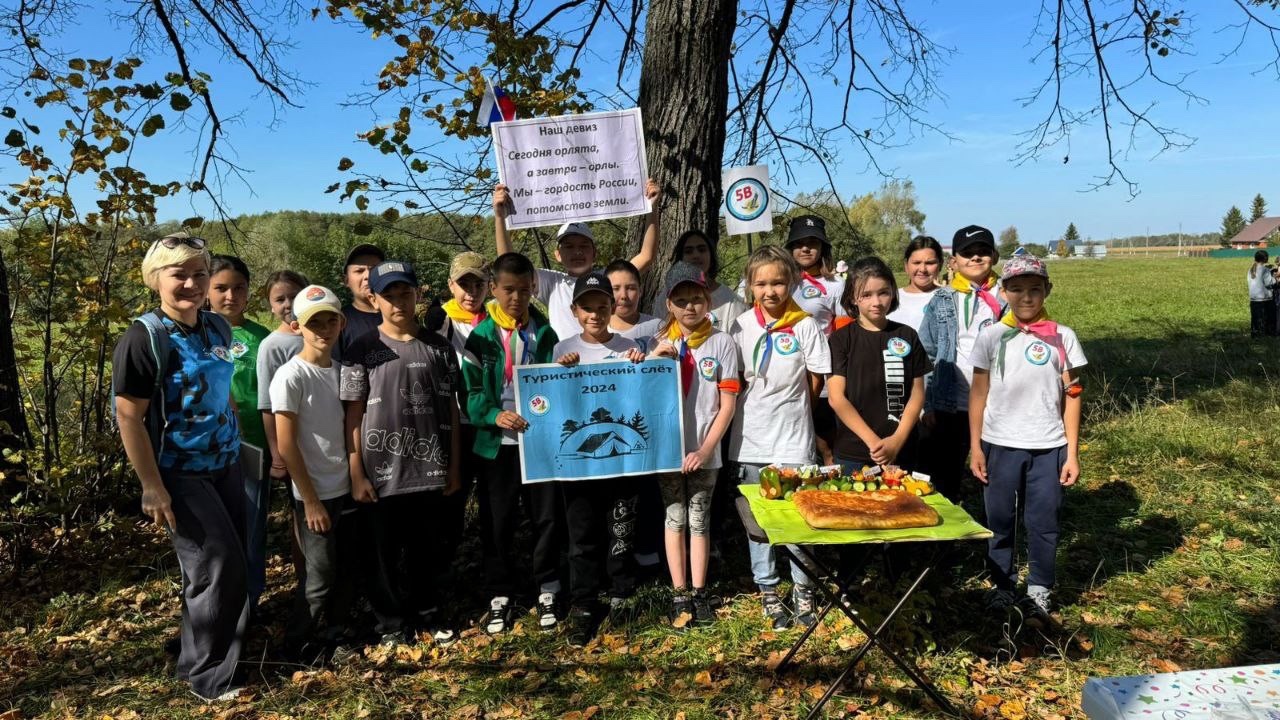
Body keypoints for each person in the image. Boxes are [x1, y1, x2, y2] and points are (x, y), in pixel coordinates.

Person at [113, 232, 246, 701]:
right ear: (155, 279)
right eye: (179, 274)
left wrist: (236, 436)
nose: (191, 283)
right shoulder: (144, 338)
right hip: (179, 471)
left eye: (199, 273)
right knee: (218, 565)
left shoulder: (218, 327)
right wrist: (151, 485)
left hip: (226, 463)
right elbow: (128, 415)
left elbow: (222, 387)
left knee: (219, 568)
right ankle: (209, 679)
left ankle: (194, 661)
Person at [341, 261, 462, 645]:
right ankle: (391, 623)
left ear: (418, 294)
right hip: (381, 473)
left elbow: (452, 410)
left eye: (405, 293)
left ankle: (428, 610)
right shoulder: (361, 349)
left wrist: (454, 466)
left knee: (428, 548)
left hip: (431, 469)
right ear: (374, 299)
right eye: (389, 296)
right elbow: (353, 414)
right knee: (382, 553)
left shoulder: (440, 347)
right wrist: (356, 472)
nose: (398, 303)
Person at [969, 255, 1086, 622]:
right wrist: (975, 446)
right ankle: (1002, 586)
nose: (1026, 297)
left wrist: (1072, 453)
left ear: (1047, 290)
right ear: (1004, 292)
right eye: (1017, 289)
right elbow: (978, 394)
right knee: (999, 520)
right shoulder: (991, 337)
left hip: (1049, 447)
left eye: (1035, 289)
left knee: (1043, 522)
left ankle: (1039, 588)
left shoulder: (1063, 337)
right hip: (999, 445)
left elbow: (1073, 396)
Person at [461, 252, 564, 635]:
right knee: (497, 520)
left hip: (539, 444)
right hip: (496, 446)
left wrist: (564, 368)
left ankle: (548, 586)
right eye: (508, 290)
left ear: (533, 287)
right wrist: (493, 415)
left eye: (524, 290)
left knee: (546, 518)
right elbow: (469, 392)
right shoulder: (481, 337)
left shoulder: (545, 333)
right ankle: (499, 592)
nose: (516, 298)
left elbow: (556, 385)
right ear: (493, 289)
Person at [729, 245, 831, 630]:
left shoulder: (805, 325)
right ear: (750, 286)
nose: (769, 291)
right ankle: (768, 590)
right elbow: (734, 379)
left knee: (799, 519)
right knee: (758, 522)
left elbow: (816, 377)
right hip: (751, 440)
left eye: (777, 282)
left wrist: (797, 410)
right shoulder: (740, 326)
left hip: (793, 440)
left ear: (791, 282)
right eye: (761, 284)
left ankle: (804, 589)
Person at [550, 271, 648, 646]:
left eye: (602, 307)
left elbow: (643, 395)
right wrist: (559, 372)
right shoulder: (562, 349)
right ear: (575, 311)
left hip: (622, 464)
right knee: (581, 536)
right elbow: (553, 401)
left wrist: (641, 365)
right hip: (579, 467)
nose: (595, 314)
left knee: (621, 529)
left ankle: (622, 594)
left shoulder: (629, 346)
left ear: (612, 307)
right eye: (587, 308)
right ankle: (584, 603)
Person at [649, 262, 740, 627]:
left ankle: (700, 592)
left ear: (708, 302)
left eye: (697, 299)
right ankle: (679, 592)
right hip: (668, 451)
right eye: (681, 300)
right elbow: (640, 396)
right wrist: (655, 360)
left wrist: (705, 449)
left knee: (699, 520)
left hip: (705, 450)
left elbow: (727, 404)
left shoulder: (722, 343)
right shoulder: (658, 342)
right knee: (674, 518)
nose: (690, 307)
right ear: (668, 304)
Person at [269, 285, 354, 659]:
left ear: (341, 323)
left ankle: (336, 635)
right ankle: (295, 645)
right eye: (313, 323)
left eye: (330, 321)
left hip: (345, 489)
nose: (323, 329)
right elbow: (287, 444)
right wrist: (311, 500)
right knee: (317, 578)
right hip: (313, 495)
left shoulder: (342, 372)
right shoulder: (290, 376)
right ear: (297, 327)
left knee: (345, 570)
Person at [492, 180, 662, 340]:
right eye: (569, 246)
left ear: (594, 252)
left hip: (606, 358)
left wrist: (652, 207)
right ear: (557, 254)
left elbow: (646, 256)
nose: (577, 252)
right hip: (564, 360)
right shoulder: (552, 283)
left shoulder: (607, 278)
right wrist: (500, 217)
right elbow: (509, 266)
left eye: (584, 246)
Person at [206, 256, 272, 611]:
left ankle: (249, 603)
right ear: (206, 290)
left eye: (238, 288)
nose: (230, 296)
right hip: (207, 452)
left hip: (253, 448)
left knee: (251, 528)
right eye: (221, 288)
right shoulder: (195, 334)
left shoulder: (263, 338)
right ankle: (216, 607)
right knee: (213, 537)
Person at [918, 225, 1002, 501]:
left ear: (994, 256)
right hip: (950, 403)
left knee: (996, 475)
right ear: (954, 261)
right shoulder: (942, 299)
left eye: (983, 252)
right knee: (943, 475)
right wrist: (928, 403)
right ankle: (946, 524)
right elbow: (928, 353)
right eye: (967, 253)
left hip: (995, 404)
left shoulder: (1007, 296)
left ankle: (994, 522)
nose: (975, 257)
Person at [827, 257, 931, 473]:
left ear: (893, 293)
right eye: (866, 294)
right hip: (854, 453)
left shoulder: (907, 335)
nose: (876, 302)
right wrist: (874, 442)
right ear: (853, 297)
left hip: (902, 450)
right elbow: (836, 398)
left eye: (883, 292)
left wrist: (897, 441)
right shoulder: (840, 339)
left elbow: (917, 394)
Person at [254, 270, 310, 594]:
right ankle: (305, 583)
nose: (288, 304)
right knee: (301, 514)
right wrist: (277, 454)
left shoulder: (320, 331)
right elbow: (267, 405)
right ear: (271, 306)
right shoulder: (272, 346)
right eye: (280, 299)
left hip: (325, 445)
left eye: (294, 295)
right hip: (293, 448)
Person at [434, 251, 490, 571]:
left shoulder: (496, 318)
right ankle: (443, 570)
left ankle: (492, 567)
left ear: (489, 286)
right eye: (464, 284)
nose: (471, 292)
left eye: (478, 284)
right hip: (454, 427)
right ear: (451, 285)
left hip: (490, 425)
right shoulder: (440, 320)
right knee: (451, 502)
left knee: (492, 504)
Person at [785, 216, 845, 465]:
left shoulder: (836, 285)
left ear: (823, 247)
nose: (806, 248)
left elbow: (844, 335)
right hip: (785, 374)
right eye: (799, 243)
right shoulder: (780, 281)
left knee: (825, 446)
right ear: (790, 248)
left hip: (820, 377)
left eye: (813, 243)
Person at [655, 230, 746, 330]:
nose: (696, 255)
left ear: (711, 256)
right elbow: (660, 332)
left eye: (702, 250)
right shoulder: (666, 297)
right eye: (688, 251)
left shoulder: (730, 300)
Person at [337, 243, 386, 360]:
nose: (368, 276)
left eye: (374, 269)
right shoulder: (337, 322)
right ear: (346, 280)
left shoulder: (401, 314)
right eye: (359, 271)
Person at [887, 236, 944, 332]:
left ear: (940, 265)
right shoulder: (891, 297)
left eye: (929, 263)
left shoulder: (948, 298)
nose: (922, 269)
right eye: (917, 263)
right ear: (906, 265)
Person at [606, 259, 662, 352]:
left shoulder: (659, 328)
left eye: (631, 288)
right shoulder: (593, 332)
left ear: (640, 291)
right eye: (615, 289)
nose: (624, 296)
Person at [1247, 249, 1275, 339]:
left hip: (1254, 298)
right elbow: (1269, 283)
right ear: (1265, 258)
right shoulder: (1265, 270)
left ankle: (1255, 335)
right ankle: (1267, 334)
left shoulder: (1251, 270)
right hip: (1265, 298)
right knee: (1268, 317)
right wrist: (1273, 277)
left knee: (1255, 318)